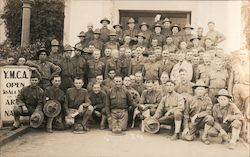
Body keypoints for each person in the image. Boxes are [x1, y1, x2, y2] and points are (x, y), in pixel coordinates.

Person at [182, 80, 214, 145]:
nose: (200, 91)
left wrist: (197, 115)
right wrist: (186, 127)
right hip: (193, 122)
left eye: (202, 89)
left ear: (204, 91)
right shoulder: (190, 99)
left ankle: (204, 137)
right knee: (186, 137)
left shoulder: (208, 99)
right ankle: (195, 132)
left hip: (202, 121)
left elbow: (209, 111)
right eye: (198, 89)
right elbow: (186, 114)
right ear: (195, 90)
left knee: (210, 118)